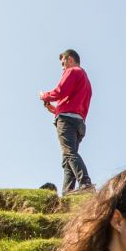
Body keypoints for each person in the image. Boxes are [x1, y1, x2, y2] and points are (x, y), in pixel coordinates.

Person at [39, 49, 94, 196]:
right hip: (79, 122)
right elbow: (72, 103)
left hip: (67, 121)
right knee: (68, 158)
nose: (63, 67)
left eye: (63, 63)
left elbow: (60, 91)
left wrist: (45, 96)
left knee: (69, 154)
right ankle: (67, 192)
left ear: (69, 59)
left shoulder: (73, 71)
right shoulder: (86, 81)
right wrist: (54, 109)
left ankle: (85, 184)